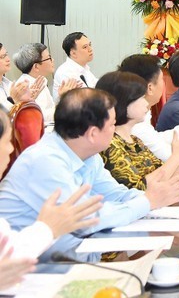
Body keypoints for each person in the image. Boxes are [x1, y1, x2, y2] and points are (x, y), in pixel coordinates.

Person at [0, 88, 179, 259]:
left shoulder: (87, 154)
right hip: (32, 269)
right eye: (111, 126)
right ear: (92, 134)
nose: (114, 131)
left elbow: (116, 194)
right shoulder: (45, 161)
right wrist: (147, 202)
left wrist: (156, 198)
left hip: (73, 257)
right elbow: (85, 220)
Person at [0, 109, 103, 263]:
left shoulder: (91, 157)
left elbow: (8, 252)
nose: (11, 149)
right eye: (8, 141)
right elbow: (9, 262)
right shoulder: (43, 158)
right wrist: (48, 229)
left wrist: (48, 229)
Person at [96, 72, 179, 190]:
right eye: (141, 98)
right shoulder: (110, 144)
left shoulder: (136, 141)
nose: (146, 103)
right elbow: (139, 189)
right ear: (124, 101)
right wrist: (178, 156)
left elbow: (168, 177)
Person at [120, 54, 179, 170]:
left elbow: (160, 138)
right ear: (150, 88)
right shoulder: (136, 125)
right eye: (161, 80)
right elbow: (178, 165)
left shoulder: (138, 116)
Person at [12, 43, 80, 126]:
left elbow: (50, 109)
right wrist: (64, 101)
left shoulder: (40, 80)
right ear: (36, 67)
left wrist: (61, 96)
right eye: (49, 58)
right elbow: (42, 116)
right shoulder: (25, 87)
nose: (53, 60)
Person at [53, 32, 98, 102]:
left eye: (90, 45)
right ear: (73, 53)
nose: (90, 49)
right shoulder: (65, 72)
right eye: (85, 47)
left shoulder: (84, 68)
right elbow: (85, 98)